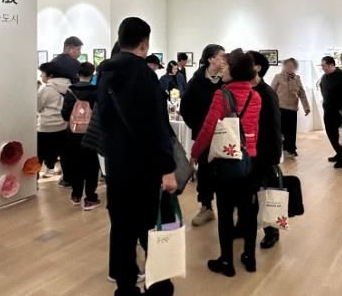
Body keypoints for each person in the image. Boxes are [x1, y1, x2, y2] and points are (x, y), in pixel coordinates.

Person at [97, 17, 177, 296]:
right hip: (145, 167)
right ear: (144, 44)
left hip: (116, 164)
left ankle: (125, 287)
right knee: (152, 228)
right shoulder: (144, 75)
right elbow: (157, 126)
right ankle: (159, 286)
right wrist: (167, 168)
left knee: (121, 228)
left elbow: (104, 120)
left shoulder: (105, 72)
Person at [191, 49, 262, 277]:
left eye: (227, 65)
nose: (223, 68)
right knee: (248, 212)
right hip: (249, 161)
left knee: (225, 212)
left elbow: (208, 128)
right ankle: (249, 257)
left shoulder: (221, 95)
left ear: (235, 71)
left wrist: (195, 152)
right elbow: (254, 130)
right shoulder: (255, 96)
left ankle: (227, 261)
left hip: (227, 162)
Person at [180, 44, 226, 227]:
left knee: (226, 171)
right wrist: (199, 127)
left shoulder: (227, 80)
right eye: (221, 56)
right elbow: (185, 108)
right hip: (203, 134)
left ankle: (228, 208)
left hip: (225, 134)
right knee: (205, 171)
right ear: (210, 59)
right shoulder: (196, 81)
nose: (224, 59)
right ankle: (206, 207)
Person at [248, 51, 283, 249]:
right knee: (248, 192)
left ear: (257, 68)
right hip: (248, 152)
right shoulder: (244, 89)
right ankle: (244, 226)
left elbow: (274, 127)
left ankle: (272, 230)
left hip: (264, 152)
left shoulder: (267, 93)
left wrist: (274, 156)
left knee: (266, 193)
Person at [61, 62, 101, 210]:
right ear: (92, 74)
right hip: (91, 133)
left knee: (75, 162)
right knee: (92, 165)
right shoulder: (96, 91)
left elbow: (65, 114)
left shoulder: (70, 91)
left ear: (78, 74)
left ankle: (76, 194)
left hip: (73, 132)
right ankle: (90, 198)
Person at [37, 63, 71, 181]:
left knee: (39, 154)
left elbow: (38, 107)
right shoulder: (68, 87)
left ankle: (34, 180)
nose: (41, 76)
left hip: (45, 126)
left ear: (50, 75)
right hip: (63, 125)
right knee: (64, 154)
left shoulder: (45, 89)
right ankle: (67, 179)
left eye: (42, 73)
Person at [271, 58, 310, 157]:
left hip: (292, 108)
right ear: (284, 66)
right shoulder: (278, 77)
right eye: (288, 65)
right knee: (280, 130)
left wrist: (306, 107)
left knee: (291, 131)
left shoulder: (297, 78)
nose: (290, 67)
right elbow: (271, 92)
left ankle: (291, 149)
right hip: (280, 108)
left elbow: (302, 93)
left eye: (292, 66)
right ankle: (279, 149)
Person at [319, 56, 342, 168]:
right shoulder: (324, 77)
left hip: (339, 112)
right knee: (331, 133)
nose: (322, 68)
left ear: (331, 64)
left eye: (324, 65)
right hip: (328, 110)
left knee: (340, 135)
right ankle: (339, 152)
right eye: (322, 66)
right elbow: (323, 91)